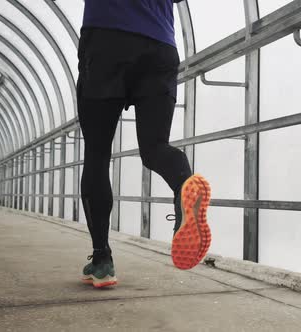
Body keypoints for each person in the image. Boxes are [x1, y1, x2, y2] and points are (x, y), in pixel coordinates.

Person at [75, 0, 211, 288]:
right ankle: (184, 186)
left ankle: (102, 261)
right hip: (159, 44)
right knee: (155, 147)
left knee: (97, 155)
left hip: (106, 37)